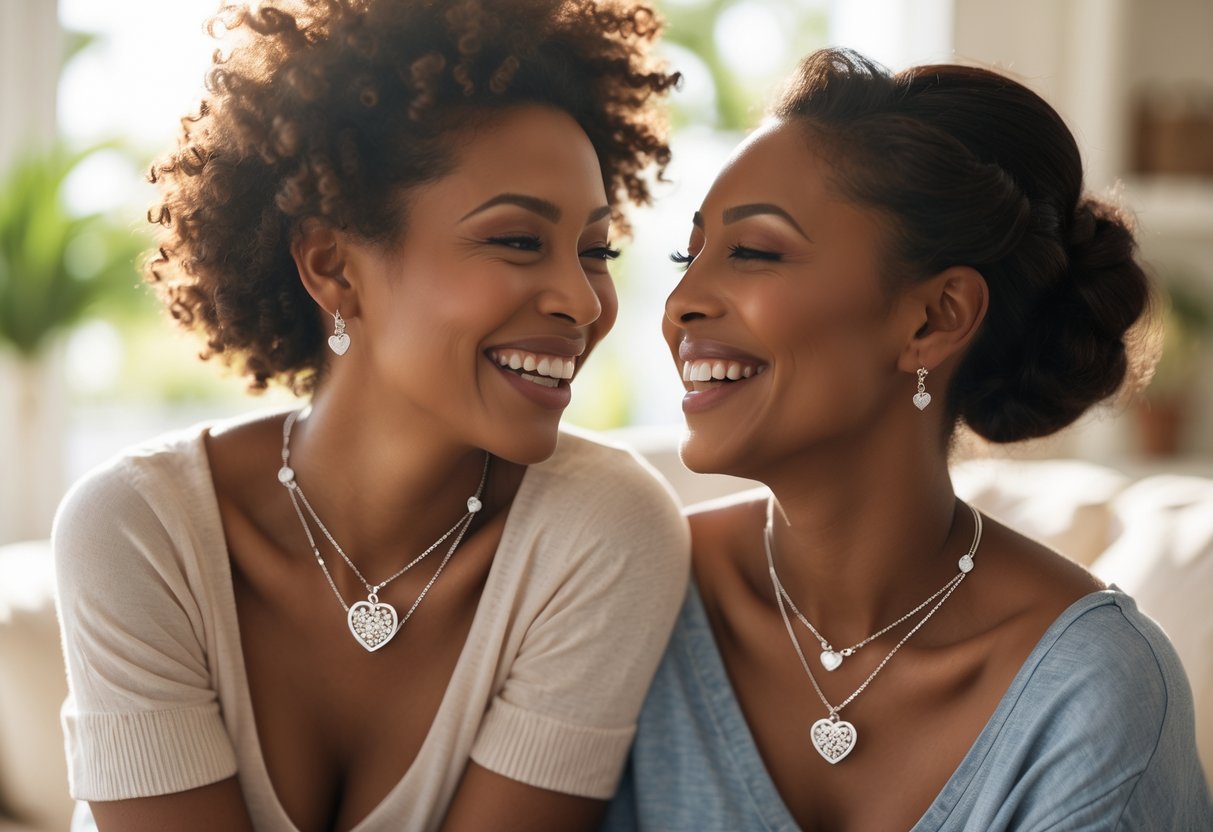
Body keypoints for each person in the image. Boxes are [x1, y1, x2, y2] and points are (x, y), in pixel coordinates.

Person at [52, 2, 690, 830]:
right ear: (333, 269)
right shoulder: (139, 528)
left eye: (594, 251)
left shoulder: (603, 531)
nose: (580, 300)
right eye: (517, 241)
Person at [604, 48, 1213, 830]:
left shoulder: (1091, 693)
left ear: (934, 318)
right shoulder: (628, 592)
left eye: (753, 252)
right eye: (690, 256)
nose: (681, 302)